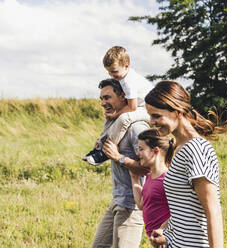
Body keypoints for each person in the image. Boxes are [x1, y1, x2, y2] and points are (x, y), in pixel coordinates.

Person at [144, 80, 227, 248]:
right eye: (150, 116)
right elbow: (187, 205)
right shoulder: (179, 147)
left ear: (177, 111)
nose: (151, 122)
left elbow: (212, 211)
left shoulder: (196, 149)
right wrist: (167, 231)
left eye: (156, 115)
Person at [92, 78, 150, 248]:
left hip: (132, 205)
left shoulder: (137, 128)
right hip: (118, 200)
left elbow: (149, 168)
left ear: (124, 97)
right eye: (101, 99)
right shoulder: (114, 125)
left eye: (107, 98)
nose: (103, 103)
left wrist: (119, 158)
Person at [83, 46, 153, 165]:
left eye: (114, 71)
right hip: (138, 106)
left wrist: (116, 115)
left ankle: (106, 151)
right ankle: (99, 145)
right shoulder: (122, 76)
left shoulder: (128, 81)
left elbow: (132, 107)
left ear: (126, 65)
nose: (111, 75)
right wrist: (113, 115)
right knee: (111, 115)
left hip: (149, 110)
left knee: (123, 117)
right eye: (109, 72)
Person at [129, 129, 174, 239]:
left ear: (155, 151)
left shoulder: (167, 179)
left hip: (168, 239)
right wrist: (134, 179)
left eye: (141, 149)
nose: (137, 153)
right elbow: (141, 204)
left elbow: (181, 210)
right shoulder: (150, 177)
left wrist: (163, 229)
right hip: (156, 239)